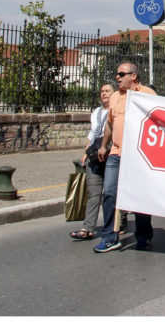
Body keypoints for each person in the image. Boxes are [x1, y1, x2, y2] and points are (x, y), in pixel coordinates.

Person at [94, 63, 157, 253]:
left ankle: (144, 235)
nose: (118, 77)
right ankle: (109, 237)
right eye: (117, 74)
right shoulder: (114, 97)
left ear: (134, 76)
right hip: (116, 153)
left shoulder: (148, 94)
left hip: (138, 155)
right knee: (110, 194)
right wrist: (104, 145)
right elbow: (110, 124)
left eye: (122, 74)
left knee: (139, 197)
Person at [71, 83, 113, 241]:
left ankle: (119, 223)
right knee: (93, 194)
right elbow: (92, 133)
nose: (104, 94)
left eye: (107, 91)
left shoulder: (118, 111)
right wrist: (85, 153)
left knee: (110, 193)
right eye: (102, 91)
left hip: (110, 155)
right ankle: (87, 227)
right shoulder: (96, 112)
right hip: (94, 155)